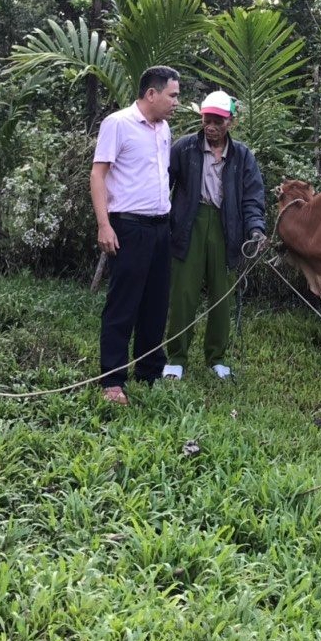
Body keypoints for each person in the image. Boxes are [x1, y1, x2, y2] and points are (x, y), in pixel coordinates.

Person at [90, 66, 181, 405]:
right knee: (123, 304)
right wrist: (104, 224)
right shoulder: (118, 124)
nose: (176, 103)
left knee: (156, 304)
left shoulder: (164, 128)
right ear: (151, 94)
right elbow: (98, 175)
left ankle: (149, 370)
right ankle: (112, 379)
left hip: (160, 226)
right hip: (129, 226)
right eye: (172, 95)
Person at [164, 90, 267, 381]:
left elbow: (253, 197)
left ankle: (216, 357)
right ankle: (176, 357)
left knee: (222, 295)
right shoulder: (184, 148)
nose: (211, 126)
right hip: (190, 222)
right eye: (207, 120)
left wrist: (256, 228)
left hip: (226, 225)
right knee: (184, 292)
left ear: (230, 122)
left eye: (218, 121)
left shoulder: (242, 155)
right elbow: (164, 185)